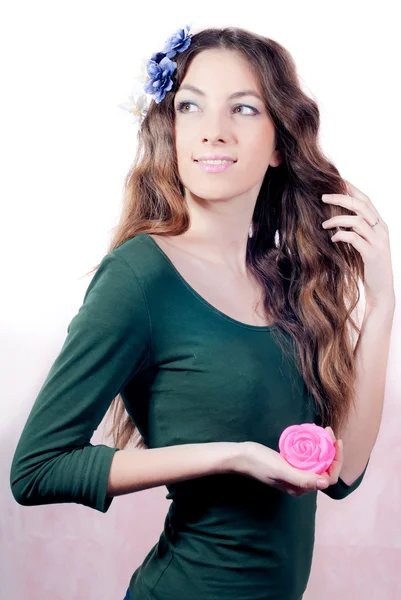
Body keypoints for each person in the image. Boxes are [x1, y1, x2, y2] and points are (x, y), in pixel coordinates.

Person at [10, 25, 373, 600]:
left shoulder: (288, 279)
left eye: (244, 108)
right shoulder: (139, 276)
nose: (213, 132)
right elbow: (36, 470)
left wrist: (380, 306)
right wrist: (232, 456)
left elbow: (343, 475)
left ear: (280, 143)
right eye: (191, 106)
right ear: (172, 130)